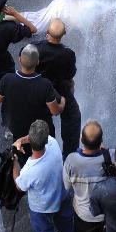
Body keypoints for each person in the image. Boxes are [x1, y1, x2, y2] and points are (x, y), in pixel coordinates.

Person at [14, 119, 74, 232]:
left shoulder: (29, 170)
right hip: (62, 194)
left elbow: (19, 186)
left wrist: (14, 162)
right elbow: (38, 138)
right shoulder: (53, 143)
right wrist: (23, 140)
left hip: (42, 207)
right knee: (65, 221)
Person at [62, 120, 110, 232]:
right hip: (106, 214)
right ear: (101, 142)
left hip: (83, 214)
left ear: (81, 140)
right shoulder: (110, 156)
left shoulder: (71, 160)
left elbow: (67, 186)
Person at [0, 43, 64, 141]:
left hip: (17, 129)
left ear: (19, 59)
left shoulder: (7, 79)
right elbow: (55, 111)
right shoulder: (45, 85)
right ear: (38, 62)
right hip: (39, 132)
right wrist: (63, 103)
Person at [35, 19, 80, 158]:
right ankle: (69, 154)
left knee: (42, 120)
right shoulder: (68, 53)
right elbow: (70, 74)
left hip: (39, 87)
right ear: (64, 33)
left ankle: (47, 149)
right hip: (60, 89)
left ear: (47, 32)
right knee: (73, 115)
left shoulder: (35, 48)